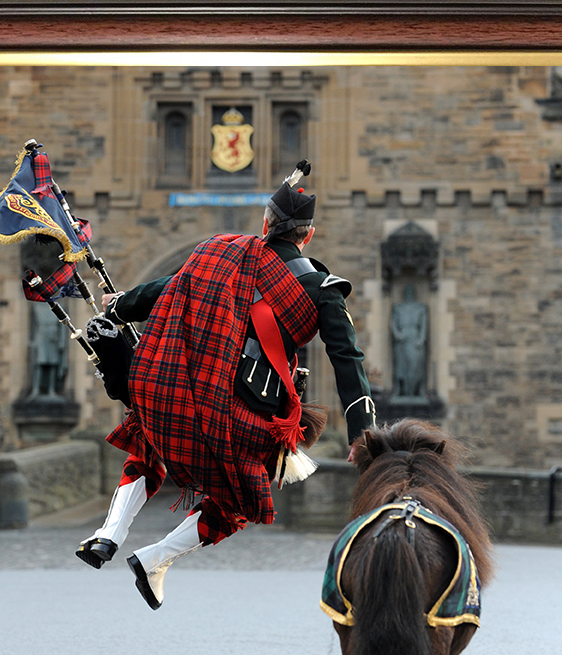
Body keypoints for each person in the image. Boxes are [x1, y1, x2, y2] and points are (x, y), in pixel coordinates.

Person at [76, 162, 375, 609]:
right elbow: (346, 358)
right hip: (238, 417)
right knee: (238, 500)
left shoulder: (222, 250)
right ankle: (155, 557)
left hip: (171, 383)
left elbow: (170, 286)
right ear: (307, 236)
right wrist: (361, 432)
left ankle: (109, 533)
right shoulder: (323, 289)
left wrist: (121, 307)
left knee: (146, 439)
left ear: (266, 225)